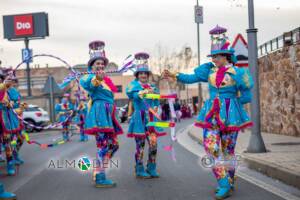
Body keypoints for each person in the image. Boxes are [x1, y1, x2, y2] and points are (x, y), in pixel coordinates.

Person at [163, 25, 253, 199]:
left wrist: (234, 105)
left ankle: (230, 181)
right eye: (213, 56)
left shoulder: (239, 73)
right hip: (211, 114)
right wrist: (175, 75)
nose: (214, 59)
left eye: (217, 56)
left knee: (228, 152)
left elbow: (247, 95)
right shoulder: (209, 71)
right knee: (210, 148)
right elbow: (190, 78)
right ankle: (224, 183)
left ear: (226, 56)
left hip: (230, 116)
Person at [80, 40, 123, 187]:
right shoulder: (88, 77)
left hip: (108, 115)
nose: (100, 65)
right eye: (97, 63)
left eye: (102, 63)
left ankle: (98, 170)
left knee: (114, 145)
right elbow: (89, 85)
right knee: (103, 145)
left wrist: (101, 78)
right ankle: (100, 176)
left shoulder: (107, 80)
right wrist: (97, 78)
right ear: (91, 65)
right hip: (99, 114)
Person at [126, 52, 166, 179]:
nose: (143, 75)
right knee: (140, 146)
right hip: (139, 119)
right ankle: (139, 169)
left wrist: (156, 104)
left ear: (148, 75)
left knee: (153, 144)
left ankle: (151, 167)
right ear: (137, 75)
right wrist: (143, 92)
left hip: (151, 118)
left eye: (145, 73)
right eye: (141, 73)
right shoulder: (133, 86)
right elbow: (134, 97)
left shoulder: (153, 86)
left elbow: (156, 101)